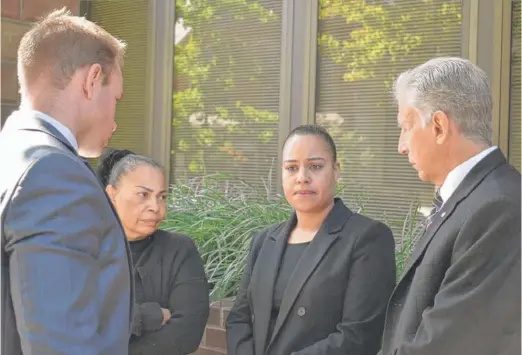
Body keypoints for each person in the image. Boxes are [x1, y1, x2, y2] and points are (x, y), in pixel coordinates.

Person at [0, 8, 133, 355]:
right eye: (116, 98)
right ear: (91, 80)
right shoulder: (54, 174)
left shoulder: (11, 154)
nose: (115, 121)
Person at [379, 57, 521, 355]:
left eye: (406, 126)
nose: (401, 145)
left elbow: (448, 341)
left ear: (440, 126)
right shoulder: (469, 199)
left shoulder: (498, 208)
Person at [226, 125, 396, 355]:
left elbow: (360, 336)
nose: (302, 178)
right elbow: (239, 318)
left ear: (336, 170)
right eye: (291, 168)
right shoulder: (264, 240)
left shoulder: (367, 238)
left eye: (315, 166)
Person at [96, 149, 210, 355]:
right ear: (112, 194)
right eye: (143, 195)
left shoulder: (179, 250)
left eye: (162, 196)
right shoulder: (85, 248)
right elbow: (77, 321)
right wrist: (146, 316)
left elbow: (187, 332)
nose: (155, 207)